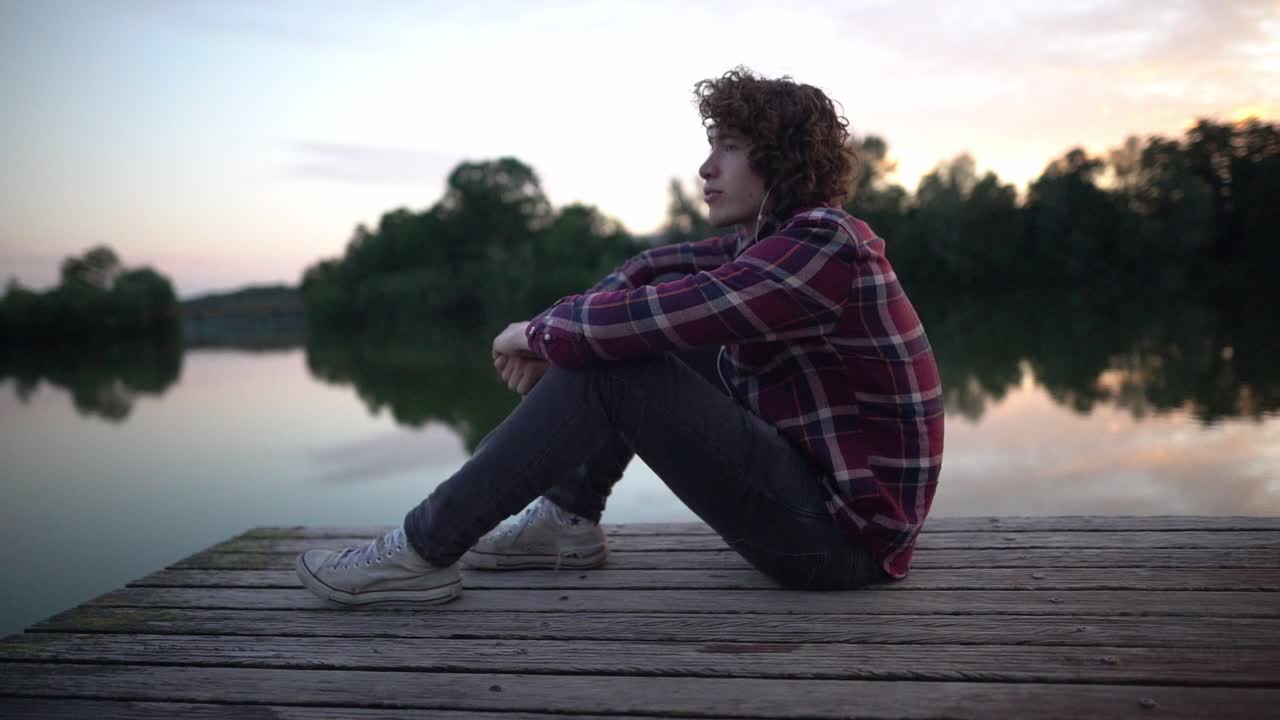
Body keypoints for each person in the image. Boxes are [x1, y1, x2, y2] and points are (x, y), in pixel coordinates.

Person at [295, 67, 944, 606]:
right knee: (618, 341)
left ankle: (418, 551)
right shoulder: (768, 247)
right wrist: (557, 337)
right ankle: (566, 520)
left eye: (729, 147)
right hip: (820, 515)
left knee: (618, 359)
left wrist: (537, 334)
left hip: (844, 547)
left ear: (781, 159)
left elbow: (656, 318)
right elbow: (646, 274)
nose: (705, 168)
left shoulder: (822, 246)